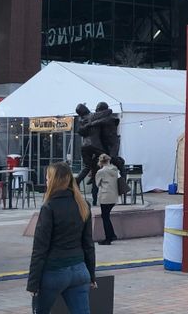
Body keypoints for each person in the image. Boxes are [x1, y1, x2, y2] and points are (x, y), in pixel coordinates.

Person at [27, 161, 96, 314]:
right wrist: (91, 275)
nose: (46, 181)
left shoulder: (49, 207)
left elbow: (40, 248)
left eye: (47, 178)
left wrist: (33, 283)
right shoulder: (83, 204)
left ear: (53, 181)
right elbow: (88, 244)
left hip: (54, 271)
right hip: (80, 271)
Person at [74, 103, 103, 206]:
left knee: (87, 167)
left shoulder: (81, 120)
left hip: (85, 146)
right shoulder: (94, 116)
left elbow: (80, 132)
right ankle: (95, 198)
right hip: (96, 145)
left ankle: (78, 179)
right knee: (100, 166)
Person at [95, 154, 119, 246]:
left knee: (105, 217)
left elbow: (97, 184)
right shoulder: (115, 169)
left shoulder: (101, 171)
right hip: (114, 195)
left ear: (100, 161)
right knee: (106, 216)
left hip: (105, 196)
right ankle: (112, 235)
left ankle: (108, 238)